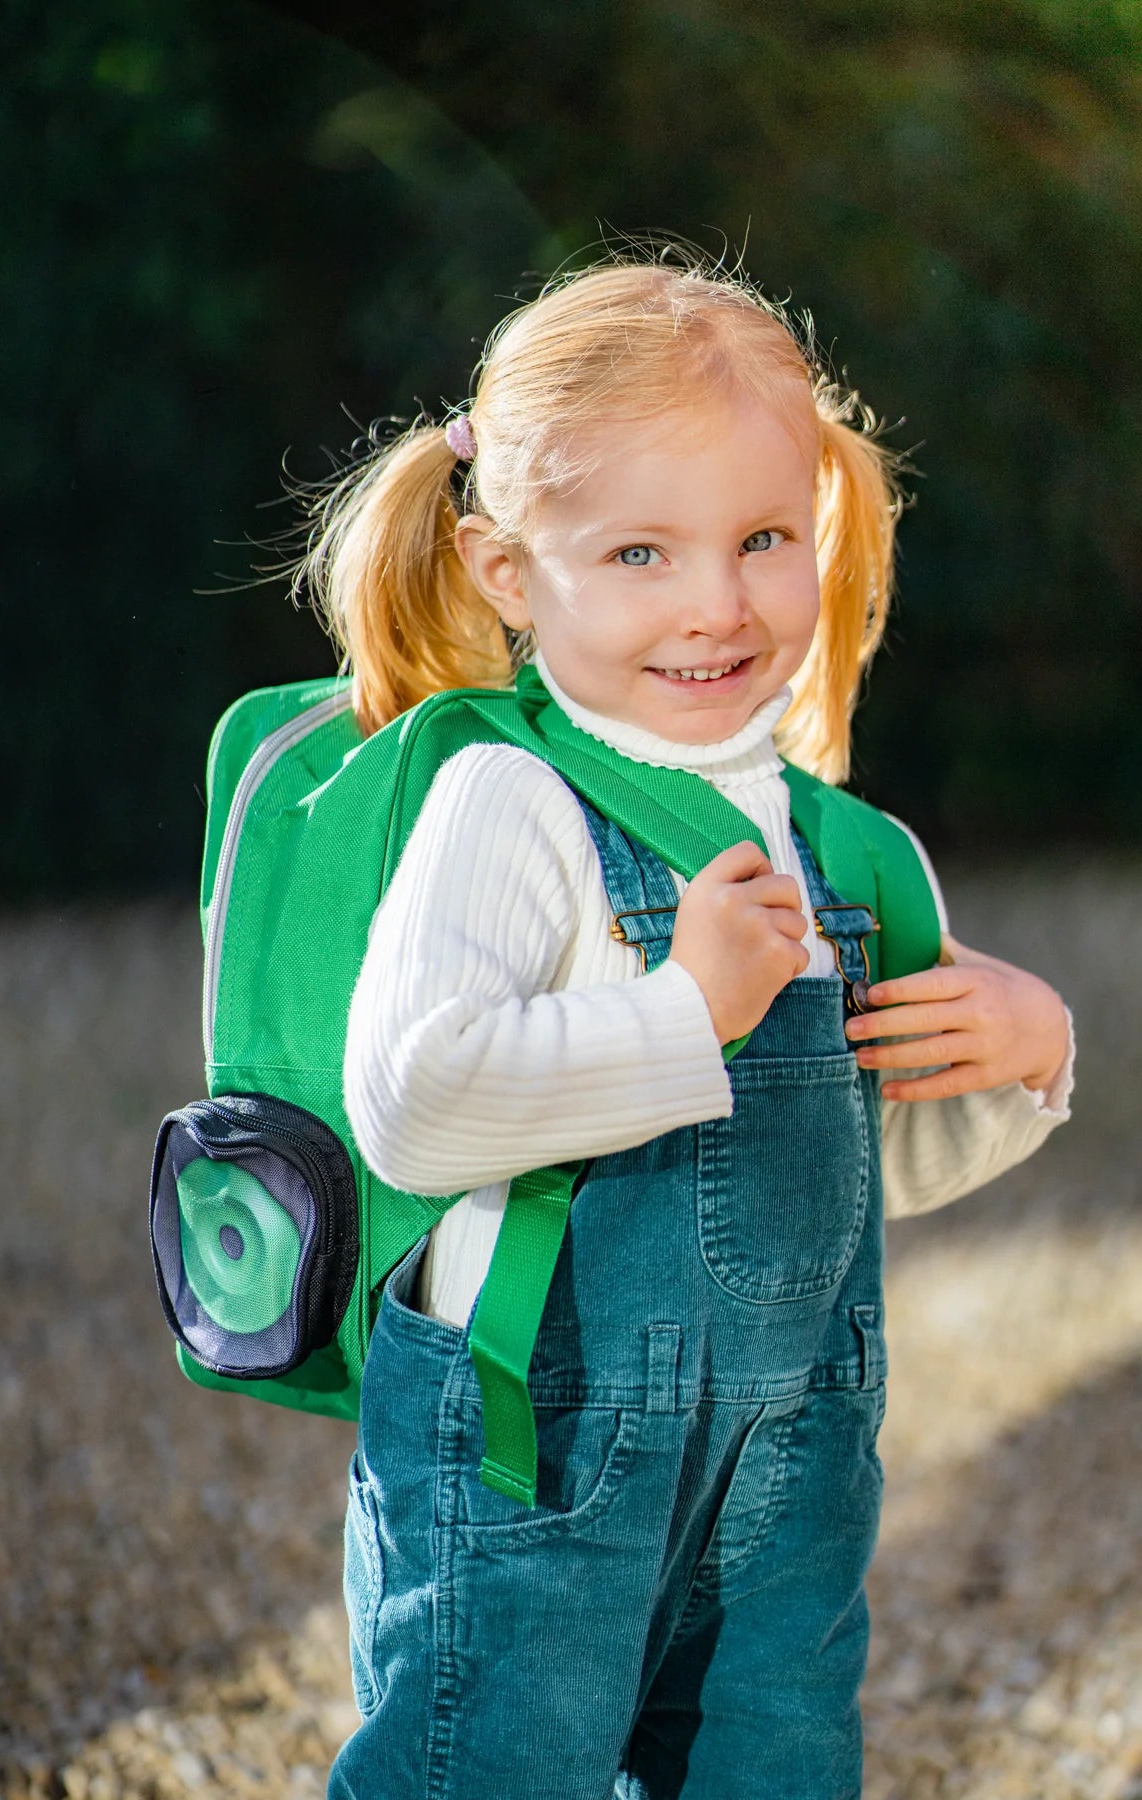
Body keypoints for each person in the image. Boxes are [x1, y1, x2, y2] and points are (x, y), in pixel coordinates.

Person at [300, 256, 1074, 1800]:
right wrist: (683, 1012)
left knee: (772, 1768)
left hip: (791, 1465)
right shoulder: (507, 802)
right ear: (513, 573)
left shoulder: (847, 849)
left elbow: (851, 1178)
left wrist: (1028, 1053)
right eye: (642, 551)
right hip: (541, 1446)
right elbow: (410, 1103)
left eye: (763, 540)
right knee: (489, 1769)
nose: (717, 603)